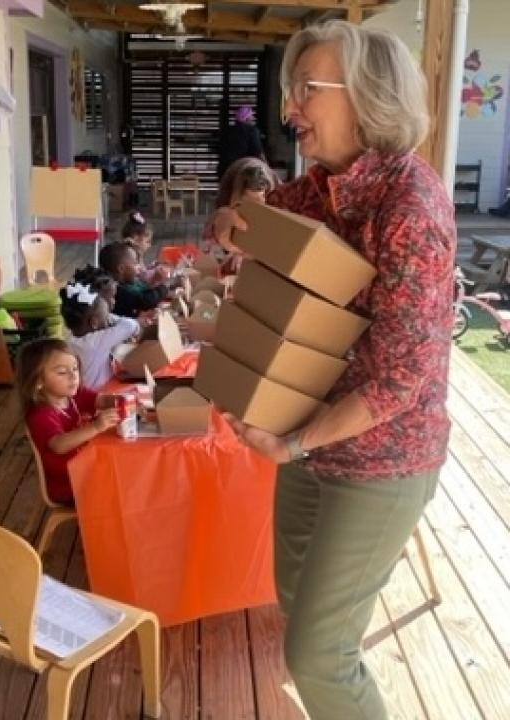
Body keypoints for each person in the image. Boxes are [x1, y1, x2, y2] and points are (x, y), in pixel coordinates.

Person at [211, 21, 455, 720]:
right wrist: (232, 220)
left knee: (319, 654)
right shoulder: (326, 185)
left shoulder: (411, 207)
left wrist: (293, 443)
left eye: (305, 90)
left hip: (381, 460)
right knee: (297, 603)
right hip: (311, 439)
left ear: (367, 96)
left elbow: (400, 378)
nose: (290, 110)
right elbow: (255, 218)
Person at [18, 338, 119, 505]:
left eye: (75, 368)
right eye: (62, 372)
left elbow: (101, 400)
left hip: (88, 469)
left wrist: (123, 400)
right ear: (38, 382)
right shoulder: (41, 415)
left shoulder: (74, 396)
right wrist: (96, 427)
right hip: (70, 485)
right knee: (125, 486)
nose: (73, 376)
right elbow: (59, 445)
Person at [203, 157, 280, 272]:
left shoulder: (278, 195)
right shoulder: (228, 195)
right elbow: (214, 226)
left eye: (258, 205)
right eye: (247, 204)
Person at [60, 279, 139, 390]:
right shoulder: (96, 342)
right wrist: (111, 318)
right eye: (107, 317)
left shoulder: (70, 341)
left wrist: (104, 315)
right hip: (100, 395)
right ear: (94, 323)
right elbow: (131, 326)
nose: (109, 321)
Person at [99, 241, 181, 318]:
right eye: (135, 263)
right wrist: (164, 285)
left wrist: (158, 281)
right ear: (121, 269)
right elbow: (145, 301)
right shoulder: (115, 289)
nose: (139, 268)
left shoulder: (125, 282)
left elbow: (144, 293)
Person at [216, 105, 266, 181]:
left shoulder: (227, 131)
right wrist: (267, 167)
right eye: (251, 116)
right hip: (243, 170)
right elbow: (258, 151)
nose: (252, 118)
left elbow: (220, 149)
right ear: (247, 118)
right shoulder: (252, 131)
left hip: (225, 170)